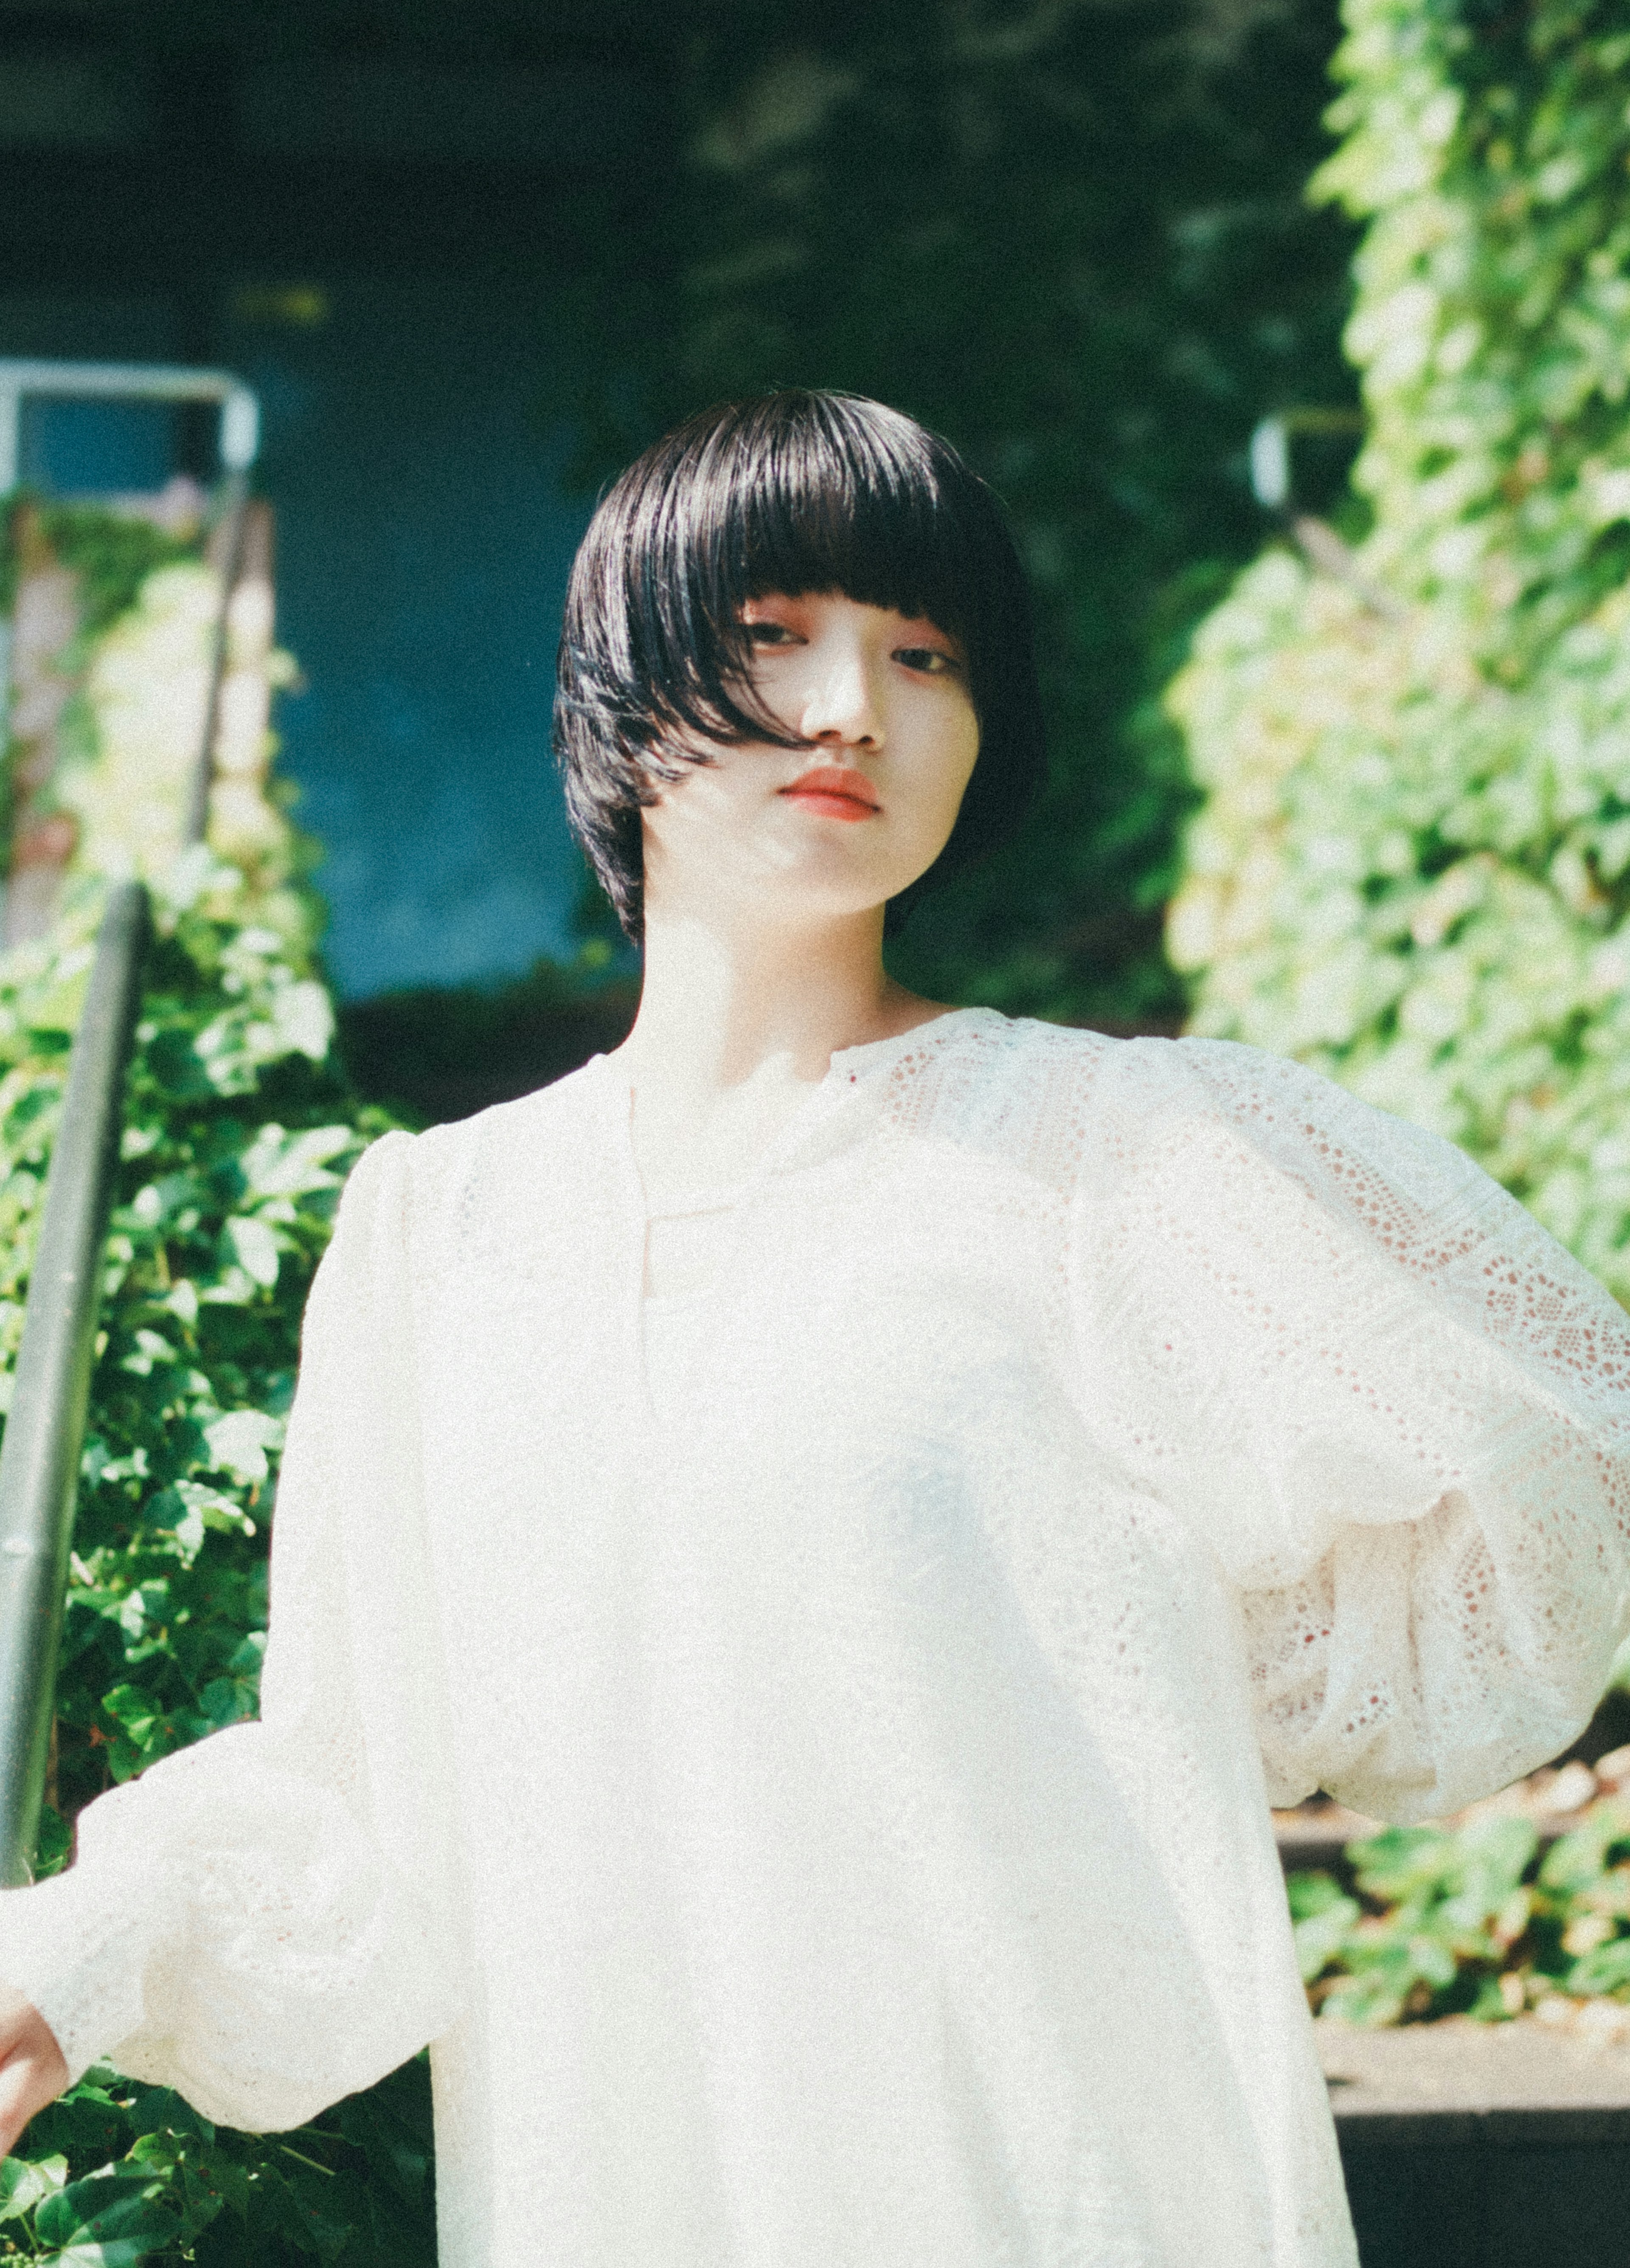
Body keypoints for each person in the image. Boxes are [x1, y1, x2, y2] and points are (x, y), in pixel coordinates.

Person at [1, 389, 1628, 2267]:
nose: (854, 704)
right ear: (616, 682)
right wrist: (74, 1957)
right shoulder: (434, 1231)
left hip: (1065, 2198)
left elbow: (1554, 1478)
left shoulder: (1118, 1157)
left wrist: (1180, 1663)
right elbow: (361, 1797)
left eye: (923, 653)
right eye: (775, 634)